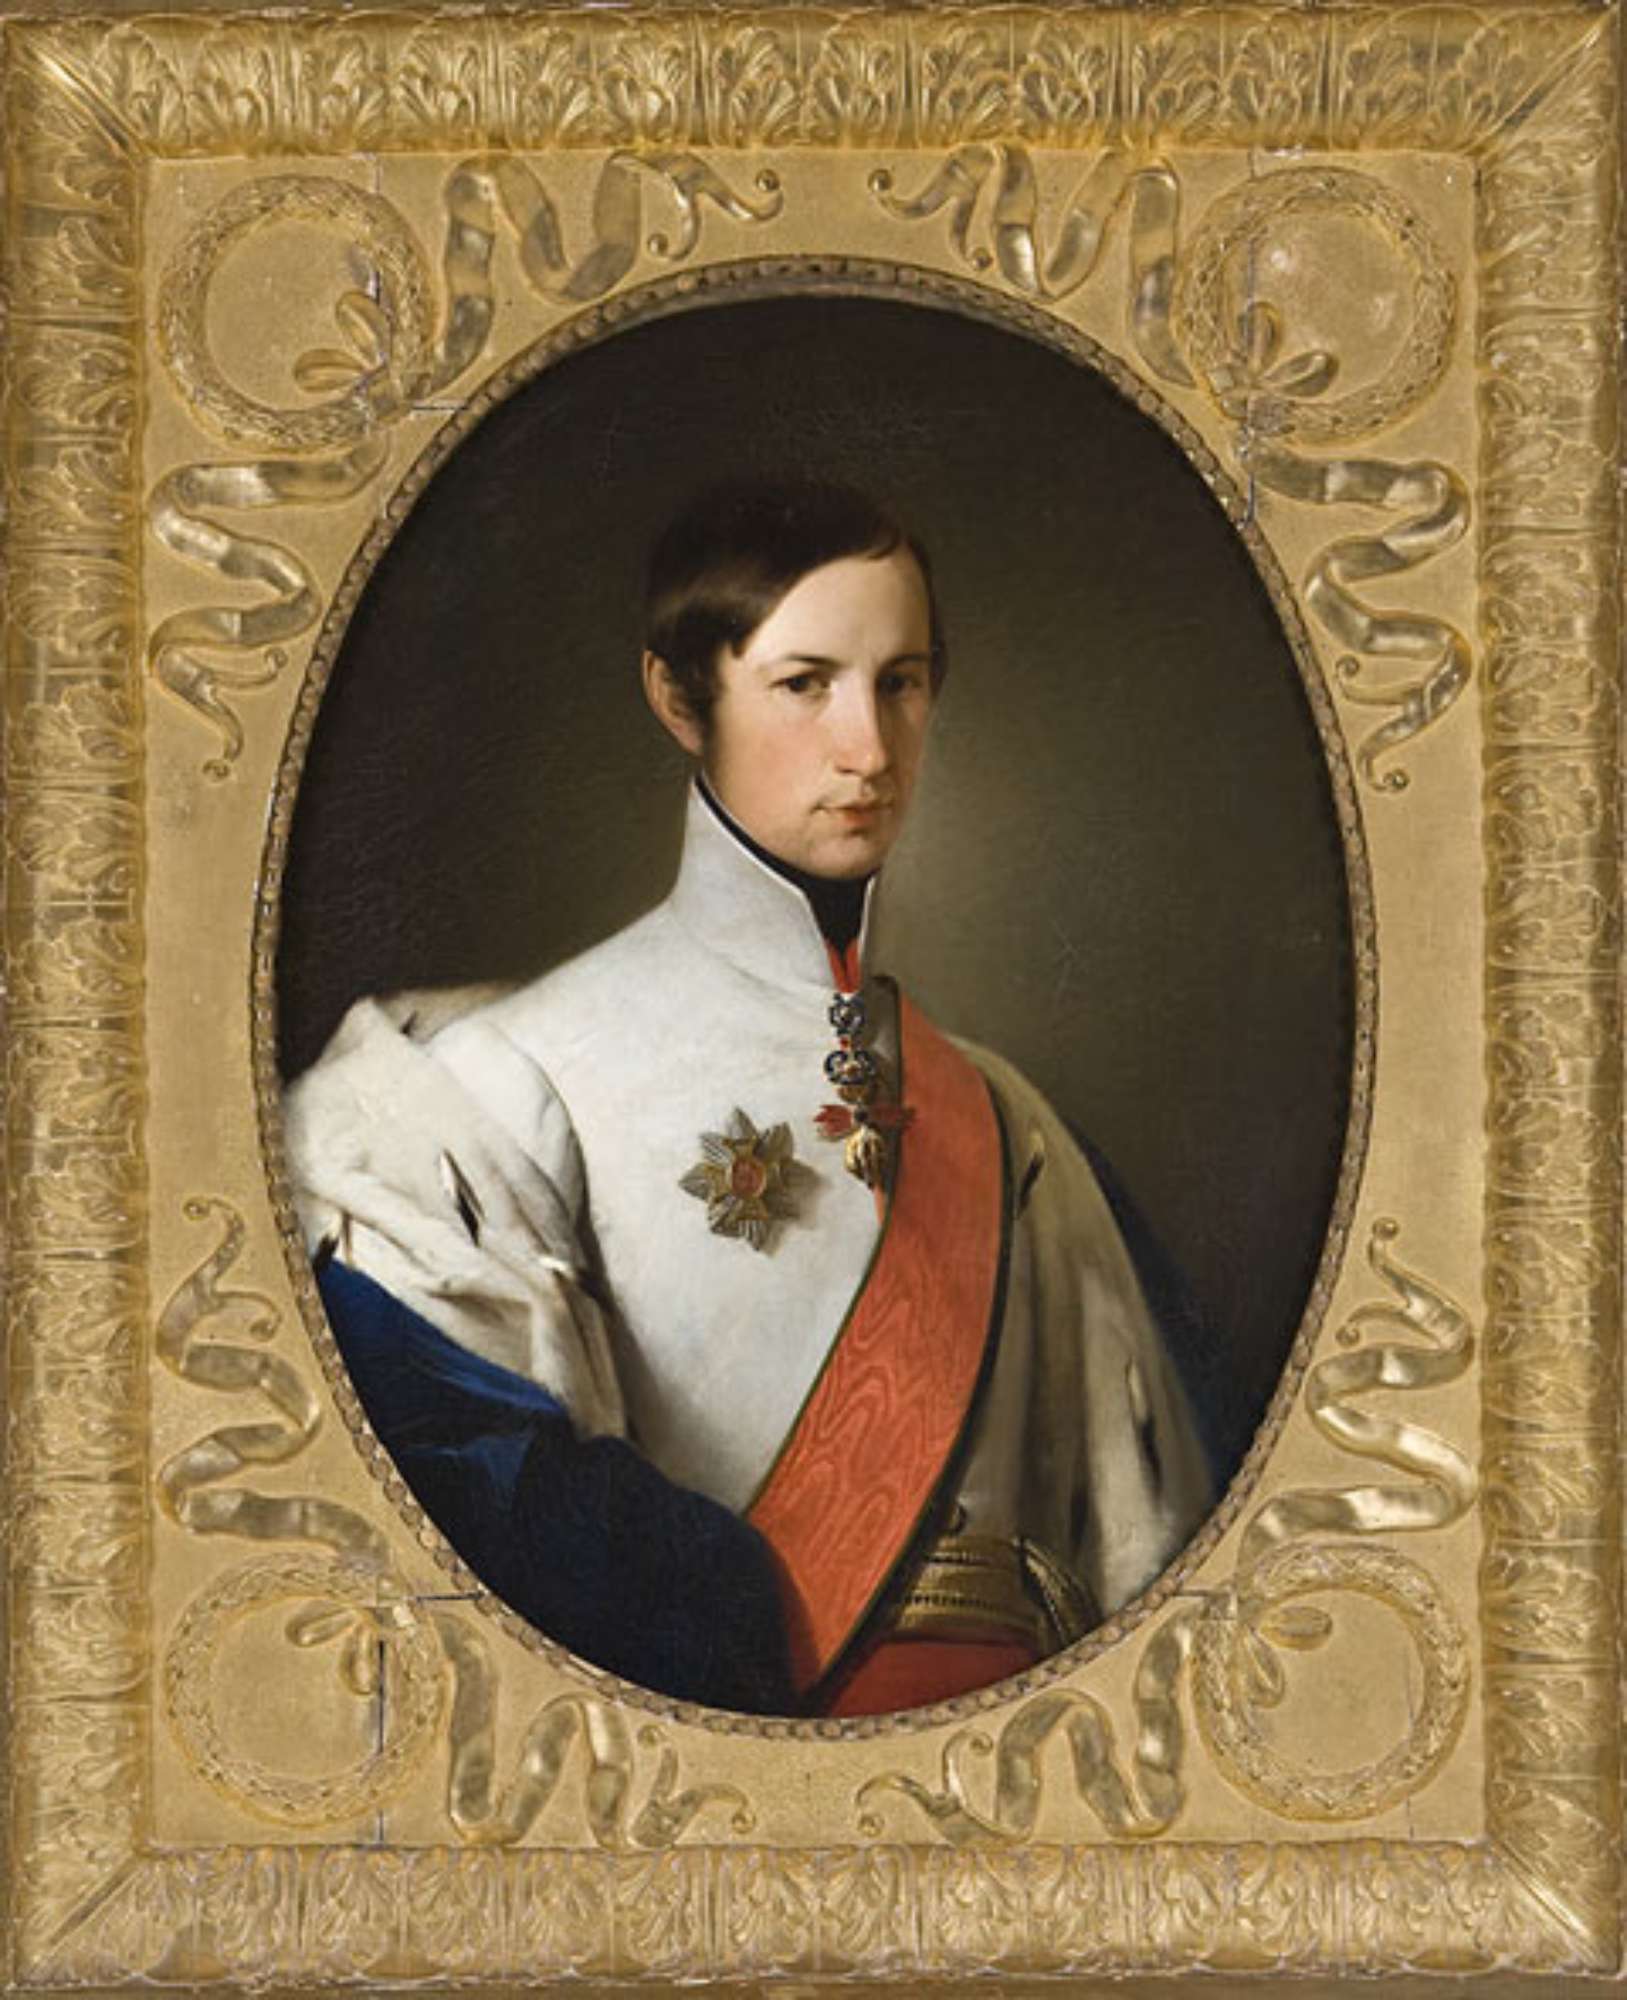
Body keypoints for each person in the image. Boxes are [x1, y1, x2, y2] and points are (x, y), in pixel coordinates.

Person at [284, 480, 1215, 1717]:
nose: (867, 748)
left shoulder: (1006, 1118)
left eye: (901, 682)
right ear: (681, 699)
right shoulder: (508, 1081)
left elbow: (1151, 1541)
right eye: (804, 683)